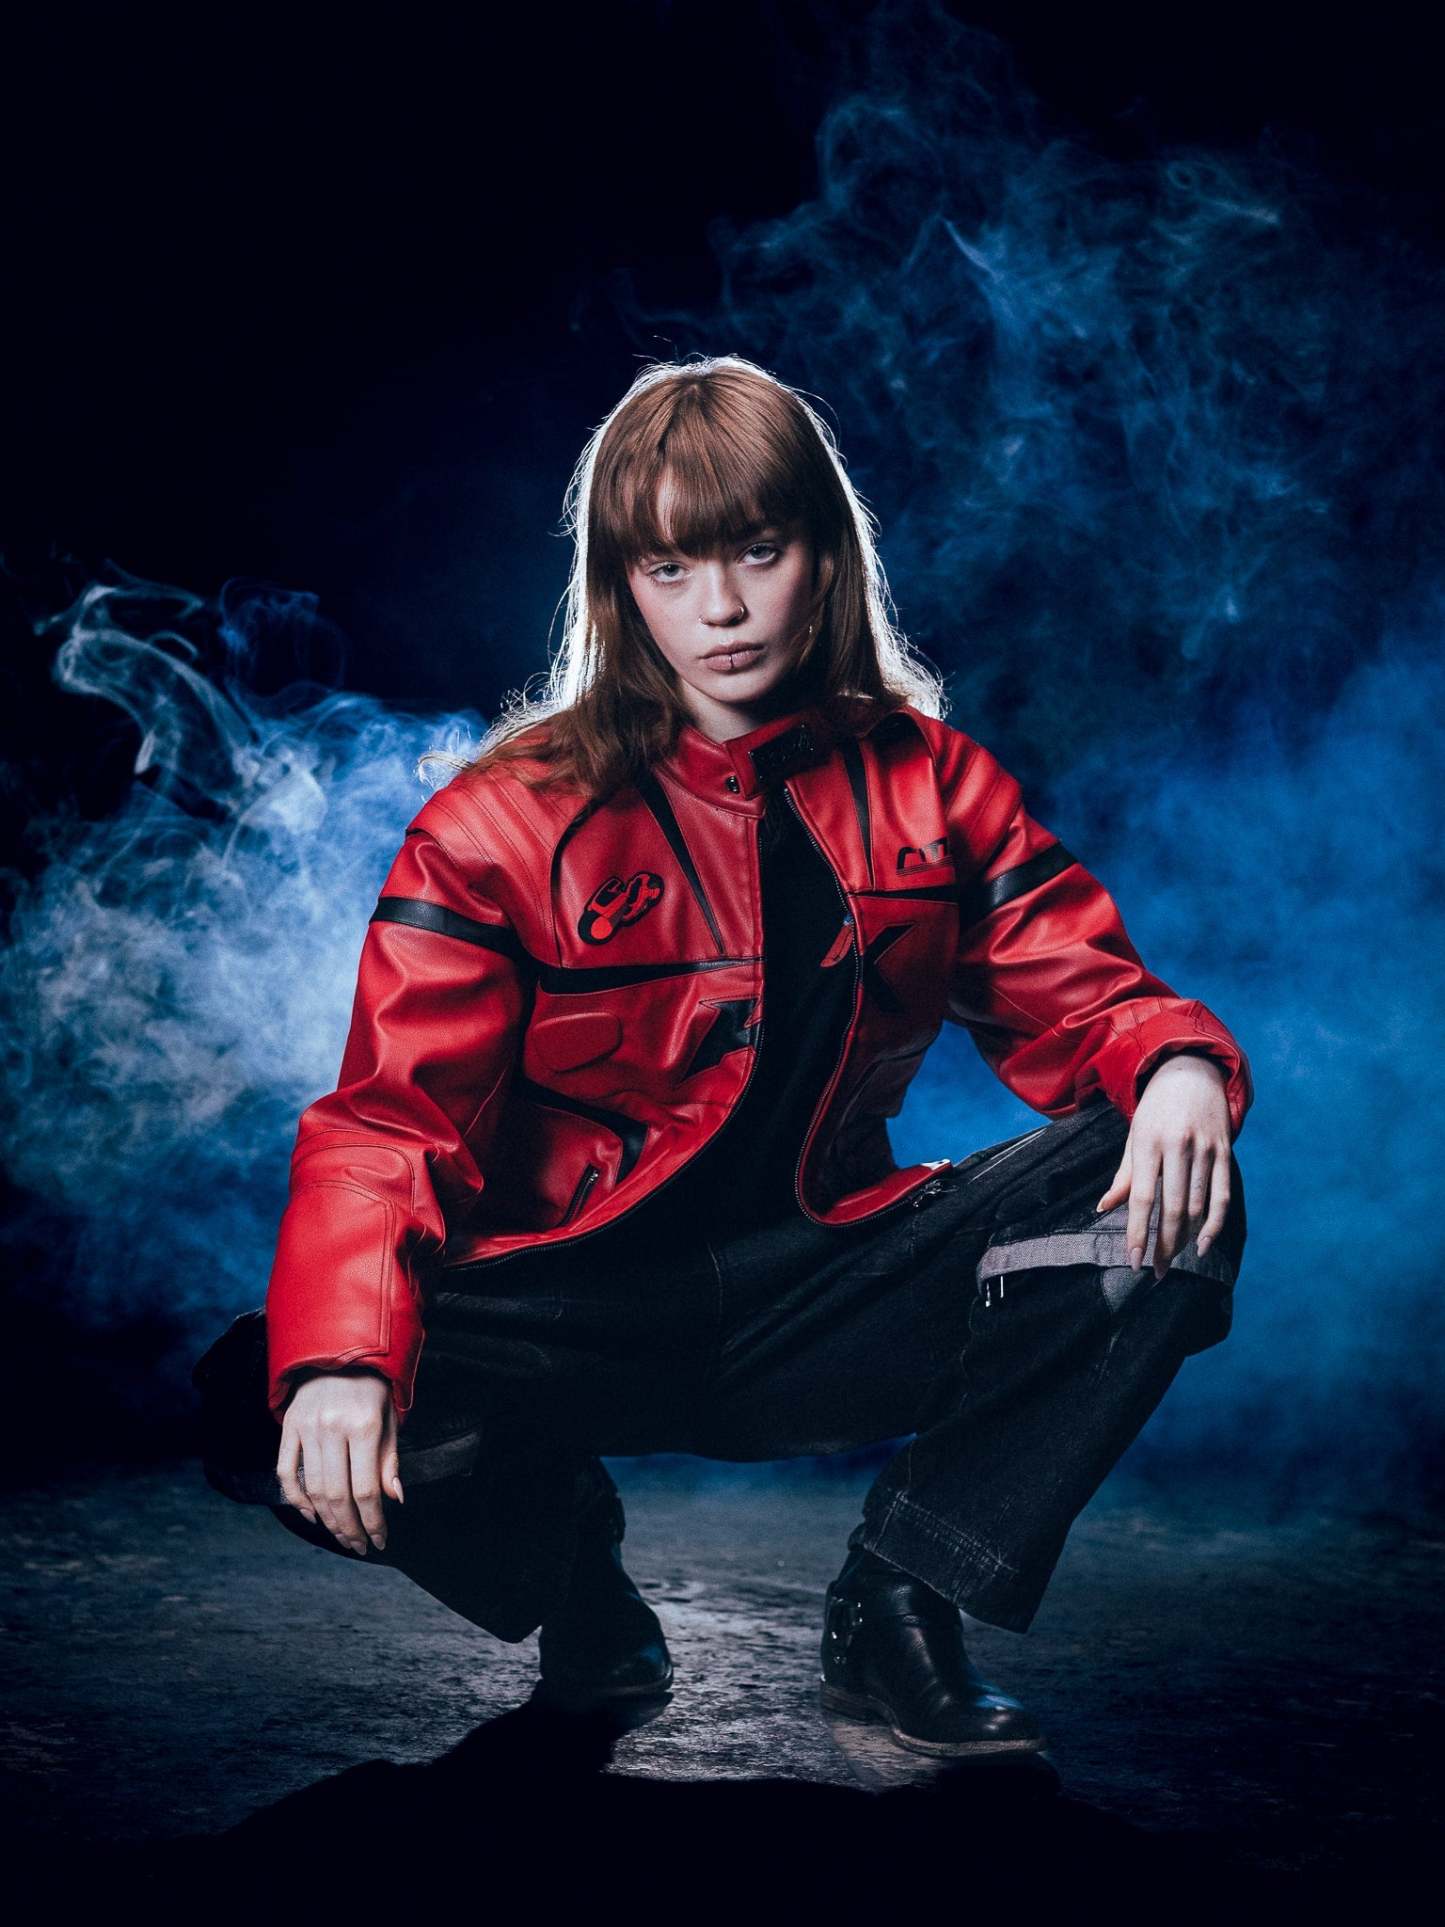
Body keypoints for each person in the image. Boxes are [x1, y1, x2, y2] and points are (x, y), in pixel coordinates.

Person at [193, 352, 1251, 1759]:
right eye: (671, 567)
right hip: (578, 1311)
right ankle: (578, 1596)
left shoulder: (934, 783)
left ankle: (900, 1600)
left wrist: (1173, 1064)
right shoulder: (499, 823)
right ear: (619, 588)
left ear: (826, 555)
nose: (722, 608)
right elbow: (391, 1123)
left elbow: (1088, 997)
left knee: (1167, 1184)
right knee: (263, 1383)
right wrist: (340, 1357)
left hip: (827, 1291)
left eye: (758, 551)